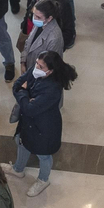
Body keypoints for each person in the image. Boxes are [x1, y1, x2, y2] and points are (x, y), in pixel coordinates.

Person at [11, 50, 76, 196]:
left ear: (51, 71)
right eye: (37, 64)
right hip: (28, 122)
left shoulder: (52, 88)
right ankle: (18, 169)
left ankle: (43, 179)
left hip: (44, 127)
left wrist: (23, 93)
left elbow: (29, 108)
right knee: (22, 142)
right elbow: (17, 85)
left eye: (41, 67)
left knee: (43, 154)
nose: (36, 68)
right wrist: (25, 94)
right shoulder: (34, 72)